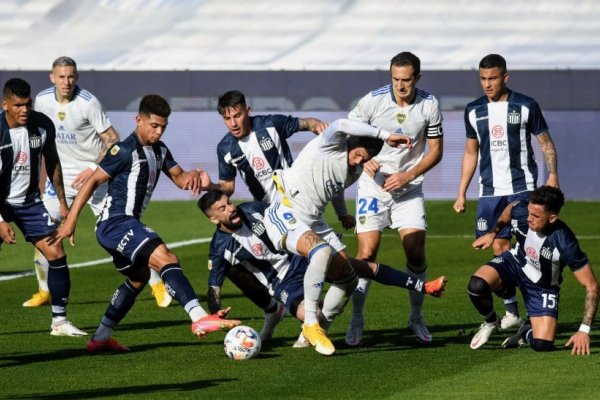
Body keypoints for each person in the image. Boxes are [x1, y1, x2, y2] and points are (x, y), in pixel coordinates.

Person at [48, 94, 240, 352]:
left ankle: (101, 338)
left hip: (124, 225)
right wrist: (71, 220)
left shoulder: (160, 150)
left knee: (138, 278)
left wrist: (203, 181)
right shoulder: (123, 150)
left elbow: (182, 180)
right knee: (167, 259)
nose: (159, 132)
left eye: (163, 127)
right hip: (115, 223)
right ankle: (198, 318)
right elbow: (93, 180)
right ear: (139, 120)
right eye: (154, 126)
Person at [258, 118, 447, 355]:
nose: (359, 161)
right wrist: (384, 134)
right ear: (350, 142)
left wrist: (342, 213)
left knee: (349, 277)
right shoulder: (329, 144)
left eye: (365, 159)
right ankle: (310, 323)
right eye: (358, 154)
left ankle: (317, 331)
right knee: (322, 251)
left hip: (314, 221)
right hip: (285, 209)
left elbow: (333, 186)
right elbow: (339, 124)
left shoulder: (357, 169)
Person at [199, 189, 447, 354]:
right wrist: (215, 312)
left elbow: (285, 217)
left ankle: (423, 286)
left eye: (228, 202)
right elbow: (214, 288)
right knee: (314, 313)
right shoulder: (220, 249)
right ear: (213, 220)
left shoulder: (251, 209)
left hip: (300, 258)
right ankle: (311, 326)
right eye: (222, 209)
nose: (230, 209)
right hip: (282, 282)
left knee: (360, 267)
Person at [24, 56, 172, 309]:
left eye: (71, 76)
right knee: (43, 231)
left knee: (123, 228)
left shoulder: (88, 103)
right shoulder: (41, 100)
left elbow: (112, 138)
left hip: (96, 178)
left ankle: (157, 283)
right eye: (61, 76)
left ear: (77, 77)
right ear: (52, 77)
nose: (66, 82)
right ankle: (44, 289)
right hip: (59, 180)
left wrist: (93, 167)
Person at [453, 53, 560, 330]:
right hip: (489, 192)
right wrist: (462, 192)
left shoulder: (526, 105)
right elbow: (470, 152)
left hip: (523, 188)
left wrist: (553, 175)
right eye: (483, 79)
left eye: (493, 78)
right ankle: (512, 313)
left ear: (505, 77)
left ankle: (537, 311)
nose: (487, 84)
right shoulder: (473, 110)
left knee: (528, 251)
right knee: (499, 248)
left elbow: (545, 142)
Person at [345, 52, 444, 346]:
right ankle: (357, 318)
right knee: (367, 254)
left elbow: (436, 151)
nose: (400, 85)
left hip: (407, 188)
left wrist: (407, 176)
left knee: (415, 251)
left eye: (406, 80)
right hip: (373, 187)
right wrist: (364, 160)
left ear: (417, 78)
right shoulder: (372, 101)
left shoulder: (429, 104)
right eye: (395, 79)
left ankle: (415, 316)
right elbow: (347, 132)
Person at [0, 77, 86, 336]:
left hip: (29, 203)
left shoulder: (42, 126)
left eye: (27, 104)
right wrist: (1, 221)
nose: (24, 110)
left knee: (57, 253)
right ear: (5, 105)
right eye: (17, 106)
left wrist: (62, 202)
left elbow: (53, 162)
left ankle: (59, 322)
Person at [467, 186, 598, 355]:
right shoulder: (522, 209)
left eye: (535, 216)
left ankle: (526, 332)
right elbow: (509, 209)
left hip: (542, 286)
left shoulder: (565, 243)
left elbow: (592, 286)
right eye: (529, 212)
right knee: (476, 286)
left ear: (552, 218)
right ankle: (491, 322)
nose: (529, 219)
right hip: (515, 263)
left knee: (542, 345)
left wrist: (584, 330)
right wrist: (493, 233)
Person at [208, 90, 327, 203]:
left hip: (295, 198)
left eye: (237, 115)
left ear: (248, 111)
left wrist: (318, 125)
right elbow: (228, 186)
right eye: (227, 118)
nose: (233, 124)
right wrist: (210, 186)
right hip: (265, 209)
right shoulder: (225, 148)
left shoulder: (271, 124)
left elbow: (307, 123)